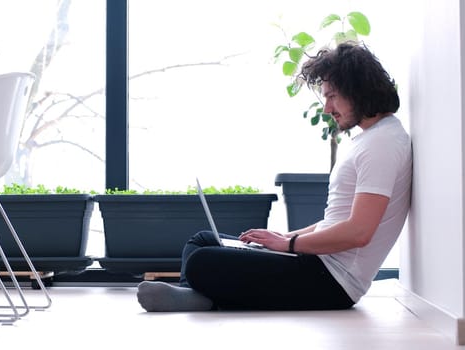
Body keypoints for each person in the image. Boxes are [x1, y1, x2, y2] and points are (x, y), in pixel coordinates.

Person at [137, 42, 412, 311]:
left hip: (332, 281)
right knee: (202, 241)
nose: (327, 108)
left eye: (331, 96)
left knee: (202, 262)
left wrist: (289, 245)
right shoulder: (372, 139)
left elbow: (359, 232)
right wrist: (285, 237)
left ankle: (200, 295)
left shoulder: (383, 144)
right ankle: (198, 296)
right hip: (316, 262)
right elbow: (335, 221)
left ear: (356, 90)